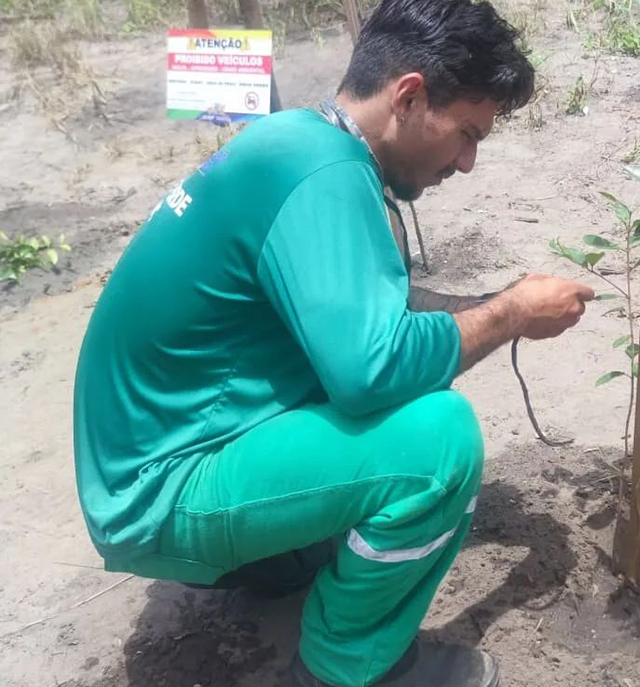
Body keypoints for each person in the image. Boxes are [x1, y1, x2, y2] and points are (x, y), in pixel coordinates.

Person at [72, 1, 593, 686]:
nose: (467, 162)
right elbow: (372, 371)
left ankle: (279, 557)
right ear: (408, 97)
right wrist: (511, 313)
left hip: (145, 463)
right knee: (436, 440)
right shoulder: (326, 176)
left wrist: (497, 302)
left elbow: (369, 308)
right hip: (162, 494)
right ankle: (348, 668)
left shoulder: (297, 142)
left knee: (390, 382)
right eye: (467, 133)